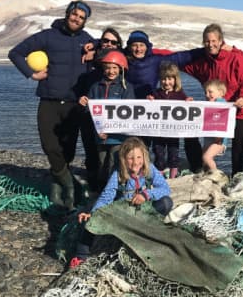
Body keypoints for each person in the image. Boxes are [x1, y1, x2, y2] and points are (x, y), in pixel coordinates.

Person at [8, 0, 96, 210]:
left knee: (68, 151)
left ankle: (58, 190)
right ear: (67, 14)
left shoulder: (87, 40)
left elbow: (108, 48)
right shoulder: (48, 36)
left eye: (81, 17)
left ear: (85, 21)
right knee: (50, 145)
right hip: (49, 101)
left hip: (74, 104)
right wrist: (31, 73)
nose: (77, 19)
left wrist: (97, 49)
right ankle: (70, 185)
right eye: (74, 14)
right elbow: (16, 53)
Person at [70, 137, 173, 267]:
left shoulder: (149, 169)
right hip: (122, 213)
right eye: (131, 158)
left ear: (144, 157)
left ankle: (151, 228)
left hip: (143, 212)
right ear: (124, 159)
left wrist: (146, 194)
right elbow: (106, 197)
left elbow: (165, 188)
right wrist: (93, 213)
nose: (135, 162)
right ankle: (80, 256)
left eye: (139, 157)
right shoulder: (118, 174)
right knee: (90, 221)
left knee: (166, 202)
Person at [124, 30, 206, 172]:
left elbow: (181, 57)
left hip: (151, 108)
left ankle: (196, 166)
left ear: (147, 46)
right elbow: (106, 58)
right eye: (135, 45)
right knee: (140, 145)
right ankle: (139, 171)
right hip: (131, 110)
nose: (138, 49)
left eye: (141, 45)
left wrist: (205, 50)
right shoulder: (123, 59)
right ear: (129, 47)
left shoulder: (155, 61)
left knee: (171, 140)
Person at [182, 24, 243, 175]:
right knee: (190, 132)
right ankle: (199, 170)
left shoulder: (237, 59)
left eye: (214, 41)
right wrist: (152, 57)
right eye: (207, 42)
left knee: (238, 150)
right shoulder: (204, 63)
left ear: (221, 40)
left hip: (240, 111)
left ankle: (237, 179)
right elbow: (177, 61)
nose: (211, 44)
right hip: (216, 113)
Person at [78, 49, 135, 188]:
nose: (111, 71)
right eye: (108, 68)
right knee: (102, 163)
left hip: (118, 137)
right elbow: (89, 111)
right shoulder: (95, 87)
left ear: (121, 69)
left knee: (115, 163)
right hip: (100, 135)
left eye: (114, 68)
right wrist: (83, 103)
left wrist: (112, 130)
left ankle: (115, 190)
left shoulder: (126, 88)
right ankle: (100, 191)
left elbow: (129, 113)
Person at [146, 62, 193, 179]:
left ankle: (172, 178)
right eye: (163, 79)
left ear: (175, 79)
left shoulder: (180, 93)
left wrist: (188, 101)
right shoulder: (156, 93)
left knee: (173, 155)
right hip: (158, 132)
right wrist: (149, 99)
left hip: (173, 132)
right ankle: (159, 178)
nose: (166, 82)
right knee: (159, 155)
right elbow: (149, 108)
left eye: (170, 79)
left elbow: (186, 106)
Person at [200, 79, 230, 173]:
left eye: (210, 92)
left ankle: (216, 175)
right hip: (208, 139)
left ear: (220, 92)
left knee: (206, 157)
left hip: (219, 141)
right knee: (204, 161)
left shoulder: (221, 103)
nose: (207, 95)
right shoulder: (209, 105)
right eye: (205, 92)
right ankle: (207, 174)